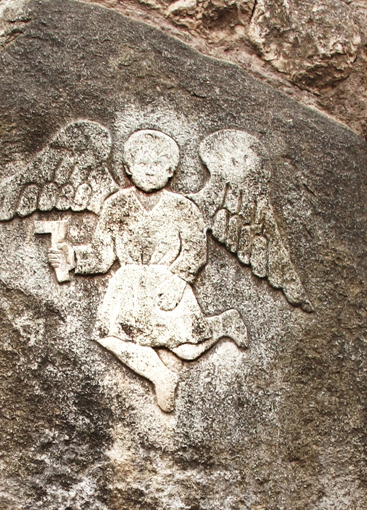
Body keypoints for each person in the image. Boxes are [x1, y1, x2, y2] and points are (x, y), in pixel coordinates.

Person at [52, 129, 248, 412]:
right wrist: (72, 258)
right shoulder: (116, 205)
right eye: (143, 164)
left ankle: (224, 324)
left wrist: (180, 279)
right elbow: (103, 255)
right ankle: (161, 376)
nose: (150, 171)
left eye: (158, 165)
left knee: (187, 348)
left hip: (166, 282)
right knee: (110, 336)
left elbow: (195, 250)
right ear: (129, 168)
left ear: (171, 171)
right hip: (127, 284)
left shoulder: (183, 208)